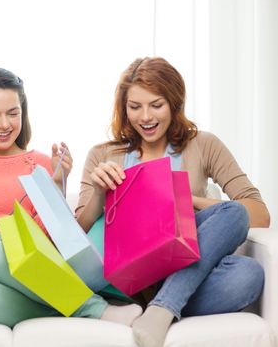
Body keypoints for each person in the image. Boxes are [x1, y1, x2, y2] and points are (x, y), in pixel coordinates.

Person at [0, 67, 143, 328]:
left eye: (13, 113)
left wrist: (58, 183)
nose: (4, 124)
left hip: (33, 275)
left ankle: (89, 307)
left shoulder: (41, 164)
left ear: (22, 112)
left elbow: (51, 238)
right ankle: (85, 308)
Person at [76, 57, 270, 347]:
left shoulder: (203, 145)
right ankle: (165, 305)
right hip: (131, 278)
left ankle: (161, 308)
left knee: (246, 261)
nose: (145, 117)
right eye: (134, 106)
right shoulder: (103, 155)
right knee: (238, 238)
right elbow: (75, 233)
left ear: (175, 103)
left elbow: (259, 214)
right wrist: (98, 193)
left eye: (156, 105)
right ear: (123, 107)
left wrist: (182, 199)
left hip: (184, 261)